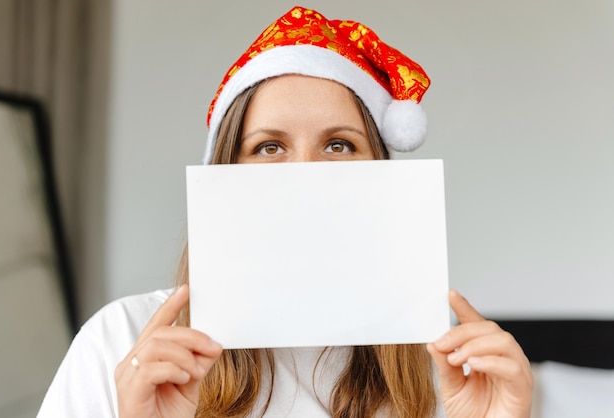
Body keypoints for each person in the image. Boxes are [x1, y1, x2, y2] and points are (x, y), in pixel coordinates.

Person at [38, 6, 533, 418]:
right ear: (225, 170)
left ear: (381, 173)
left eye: (338, 145)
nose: (306, 174)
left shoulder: (448, 364)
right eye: (269, 148)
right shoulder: (121, 341)